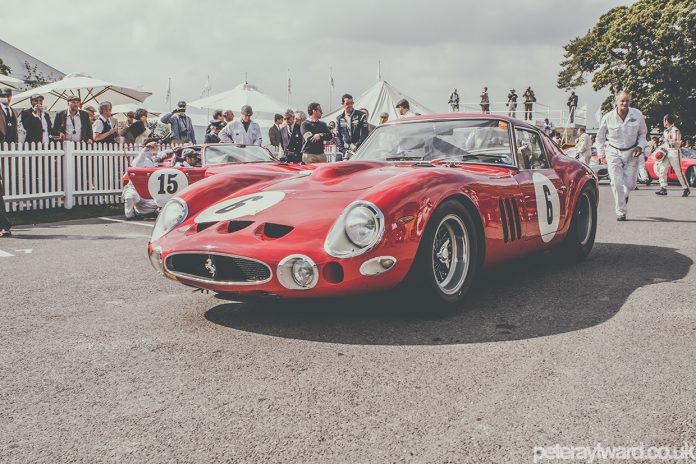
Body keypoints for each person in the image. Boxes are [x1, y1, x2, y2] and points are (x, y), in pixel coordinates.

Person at [596, 90, 648, 221]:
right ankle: (621, 212)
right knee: (616, 182)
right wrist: (601, 153)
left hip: (632, 152)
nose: (625, 103)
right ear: (616, 102)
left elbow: (643, 134)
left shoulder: (637, 115)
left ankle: (625, 195)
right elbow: (600, 137)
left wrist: (640, 146)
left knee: (630, 185)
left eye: (627, 100)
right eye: (622, 100)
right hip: (613, 151)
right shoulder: (607, 117)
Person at [122, 140, 160, 219]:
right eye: (154, 146)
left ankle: (145, 212)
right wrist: (146, 148)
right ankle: (130, 216)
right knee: (130, 197)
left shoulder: (153, 159)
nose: (157, 147)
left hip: (148, 191)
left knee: (160, 203)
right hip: (135, 189)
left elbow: (164, 154)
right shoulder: (141, 159)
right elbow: (136, 164)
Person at [655, 114, 690, 197]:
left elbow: (676, 141)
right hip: (666, 152)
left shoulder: (675, 130)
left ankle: (686, 188)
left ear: (666, 121)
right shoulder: (666, 131)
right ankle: (663, 188)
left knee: (678, 171)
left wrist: (665, 139)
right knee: (662, 169)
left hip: (674, 151)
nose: (663, 122)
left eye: (664, 120)